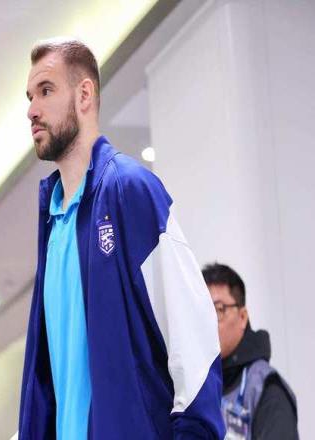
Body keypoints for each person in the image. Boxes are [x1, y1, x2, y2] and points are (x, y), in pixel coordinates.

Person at [18, 37, 225, 440]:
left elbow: (194, 346)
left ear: (84, 94)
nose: (32, 110)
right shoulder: (54, 221)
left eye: (45, 91)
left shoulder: (130, 190)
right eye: (29, 97)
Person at [202, 263, 298, 440]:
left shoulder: (267, 389)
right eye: (202, 312)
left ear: (242, 317)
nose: (208, 322)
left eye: (218, 310)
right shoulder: (195, 386)